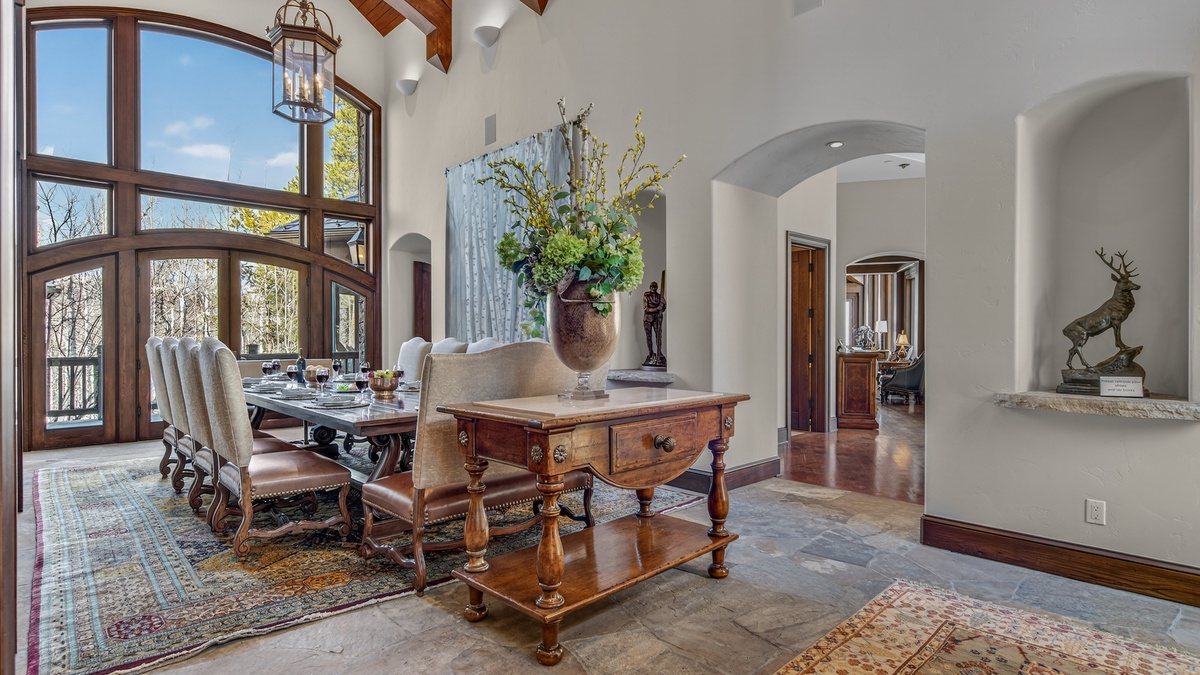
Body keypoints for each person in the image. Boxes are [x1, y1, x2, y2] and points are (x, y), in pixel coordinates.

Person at [642, 281, 666, 367]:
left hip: (656, 319)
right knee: (649, 337)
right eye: (652, 286)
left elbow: (664, 306)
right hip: (648, 319)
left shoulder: (660, 296)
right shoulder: (646, 296)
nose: (653, 288)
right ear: (650, 287)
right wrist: (657, 308)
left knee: (658, 336)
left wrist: (662, 306)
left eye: (655, 287)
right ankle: (651, 354)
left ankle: (659, 353)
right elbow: (646, 309)